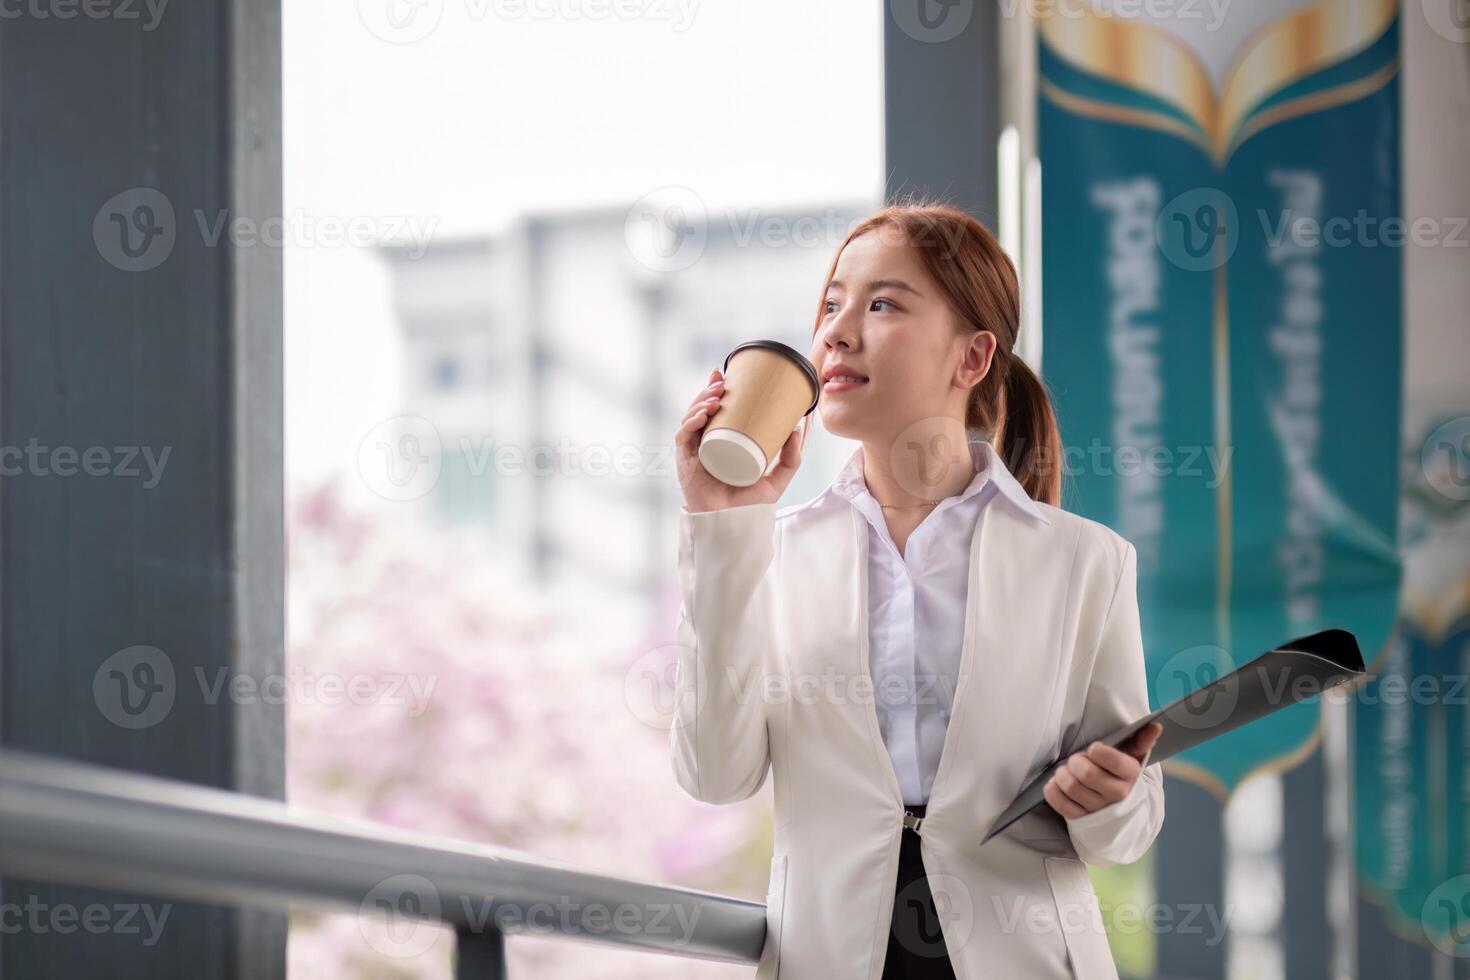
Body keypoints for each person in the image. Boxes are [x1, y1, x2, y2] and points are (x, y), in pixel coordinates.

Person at [669, 201, 1165, 980]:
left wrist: (1109, 798)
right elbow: (714, 774)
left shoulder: (1085, 563)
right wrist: (723, 530)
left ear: (971, 359)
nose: (835, 331)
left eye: (881, 303)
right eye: (831, 304)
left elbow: (1129, 827)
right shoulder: (772, 553)